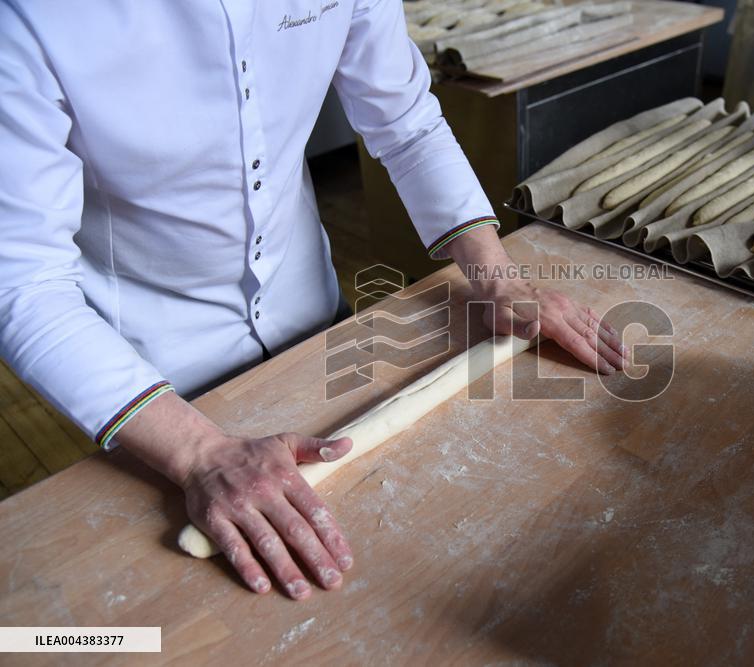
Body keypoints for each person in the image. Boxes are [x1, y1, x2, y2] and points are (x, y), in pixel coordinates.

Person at [0, 1, 626, 600]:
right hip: (152, 373)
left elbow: (406, 123)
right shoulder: (31, 19)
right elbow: (21, 283)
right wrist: (197, 453)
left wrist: (500, 281)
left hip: (312, 313)